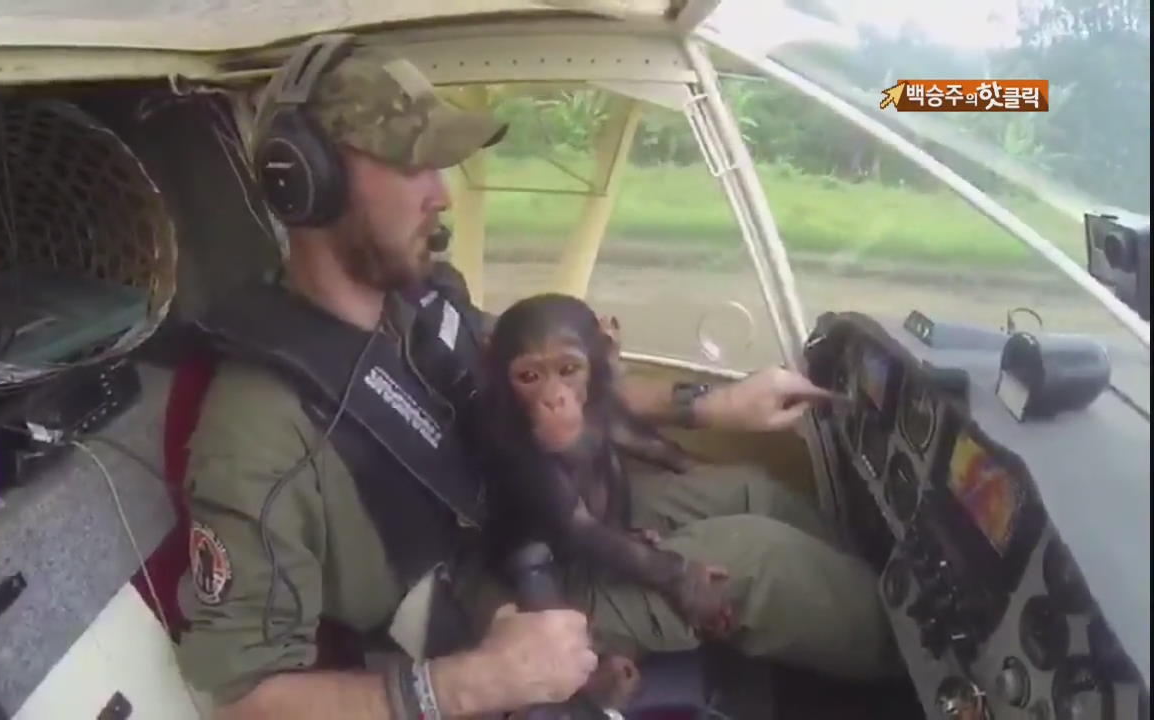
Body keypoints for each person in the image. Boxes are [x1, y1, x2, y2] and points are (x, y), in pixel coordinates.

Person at [173, 34, 899, 720]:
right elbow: (244, 698)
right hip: (481, 597)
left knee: (754, 490)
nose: (442, 193)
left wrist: (714, 404)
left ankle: (894, 639)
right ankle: (944, 684)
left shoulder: (424, 301)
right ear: (307, 183)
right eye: (412, 164)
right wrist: (474, 682)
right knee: (763, 561)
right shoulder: (261, 424)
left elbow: (554, 387)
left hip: (529, 510)